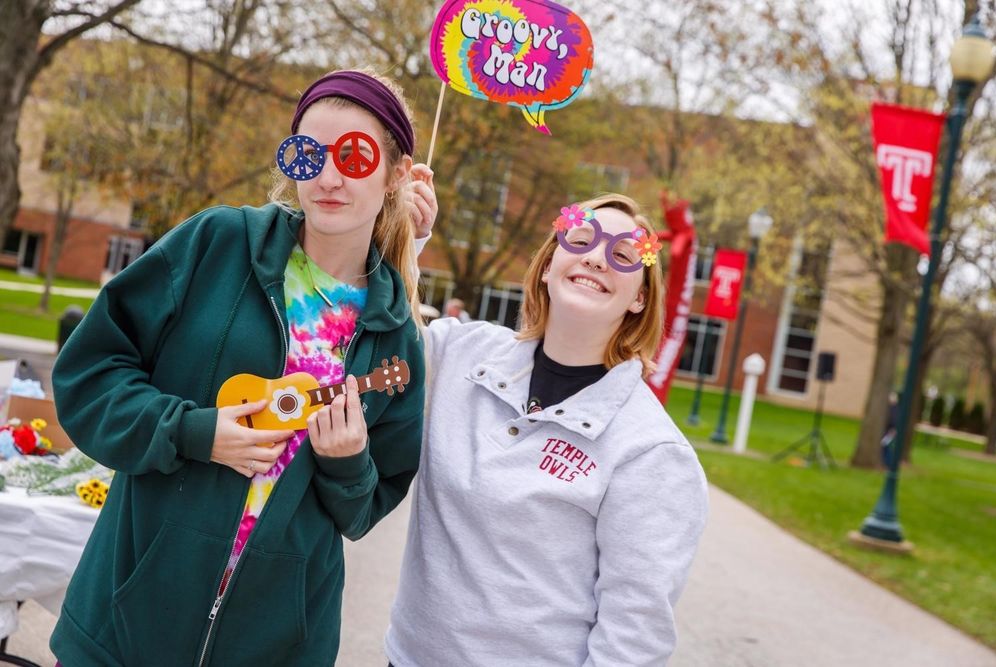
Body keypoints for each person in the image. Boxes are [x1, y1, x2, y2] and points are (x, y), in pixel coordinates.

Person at [49, 70, 434, 667]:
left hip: (277, 643)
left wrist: (347, 462)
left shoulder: (394, 339)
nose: (328, 178)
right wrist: (192, 432)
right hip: (129, 618)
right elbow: (91, 373)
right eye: (307, 155)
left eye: (354, 157)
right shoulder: (217, 243)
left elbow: (364, 511)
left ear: (395, 176)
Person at [386, 193, 709, 665]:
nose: (598, 257)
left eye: (622, 255)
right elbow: (366, 337)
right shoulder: (460, 353)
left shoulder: (652, 452)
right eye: (581, 240)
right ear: (547, 266)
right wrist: (406, 237)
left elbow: (634, 635)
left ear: (640, 297)